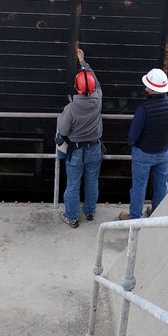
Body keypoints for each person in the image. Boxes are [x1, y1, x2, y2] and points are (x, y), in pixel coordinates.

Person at [119, 68, 168, 221]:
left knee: (139, 187)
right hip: (164, 152)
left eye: (147, 84)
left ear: (152, 88)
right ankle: (157, 215)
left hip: (143, 153)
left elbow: (132, 137)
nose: (145, 87)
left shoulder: (144, 109)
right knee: (161, 185)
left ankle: (134, 217)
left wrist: (136, 145)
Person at [56, 49, 103, 228]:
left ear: (77, 87)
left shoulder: (72, 108)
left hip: (75, 152)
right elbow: (95, 82)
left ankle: (72, 217)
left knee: (73, 185)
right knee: (92, 182)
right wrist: (83, 63)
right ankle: (90, 212)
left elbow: (63, 130)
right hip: (95, 148)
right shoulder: (98, 98)